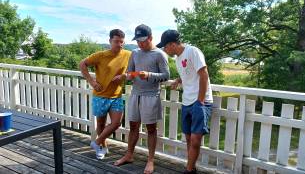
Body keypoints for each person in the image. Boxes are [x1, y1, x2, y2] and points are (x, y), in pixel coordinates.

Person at [113, 24, 169, 174]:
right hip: (135, 94)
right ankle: (129, 155)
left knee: (151, 129)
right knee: (133, 126)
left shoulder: (159, 54)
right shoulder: (135, 53)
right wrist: (126, 76)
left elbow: (166, 76)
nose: (140, 44)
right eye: (137, 41)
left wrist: (149, 75)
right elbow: (130, 72)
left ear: (150, 38)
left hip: (151, 95)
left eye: (143, 40)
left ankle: (150, 160)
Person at [157, 30, 213, 174]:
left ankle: (188, 170)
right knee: (188, 139)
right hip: (186, 101)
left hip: (200, 101)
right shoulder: (177, 58)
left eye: (165, 46)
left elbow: (204, 75)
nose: (164, 49)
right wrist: (179, 79)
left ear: (172, 44)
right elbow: (189, 73)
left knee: (195, 140)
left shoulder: (193, 51)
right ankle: (192, 168)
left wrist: (200, 101)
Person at [79, 29, 131, 160]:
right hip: (100, 95)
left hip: (116, 96)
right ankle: (101, 147)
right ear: (110, 41)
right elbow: (82, 64)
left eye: (121, 42)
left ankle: (96, 142)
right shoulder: (100, 55)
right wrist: (92, 81)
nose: (119, 44)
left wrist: (125, 76)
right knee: (101, 124)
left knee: (116, 123)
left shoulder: (128, 54)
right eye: (116, 41)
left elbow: (135, 71)